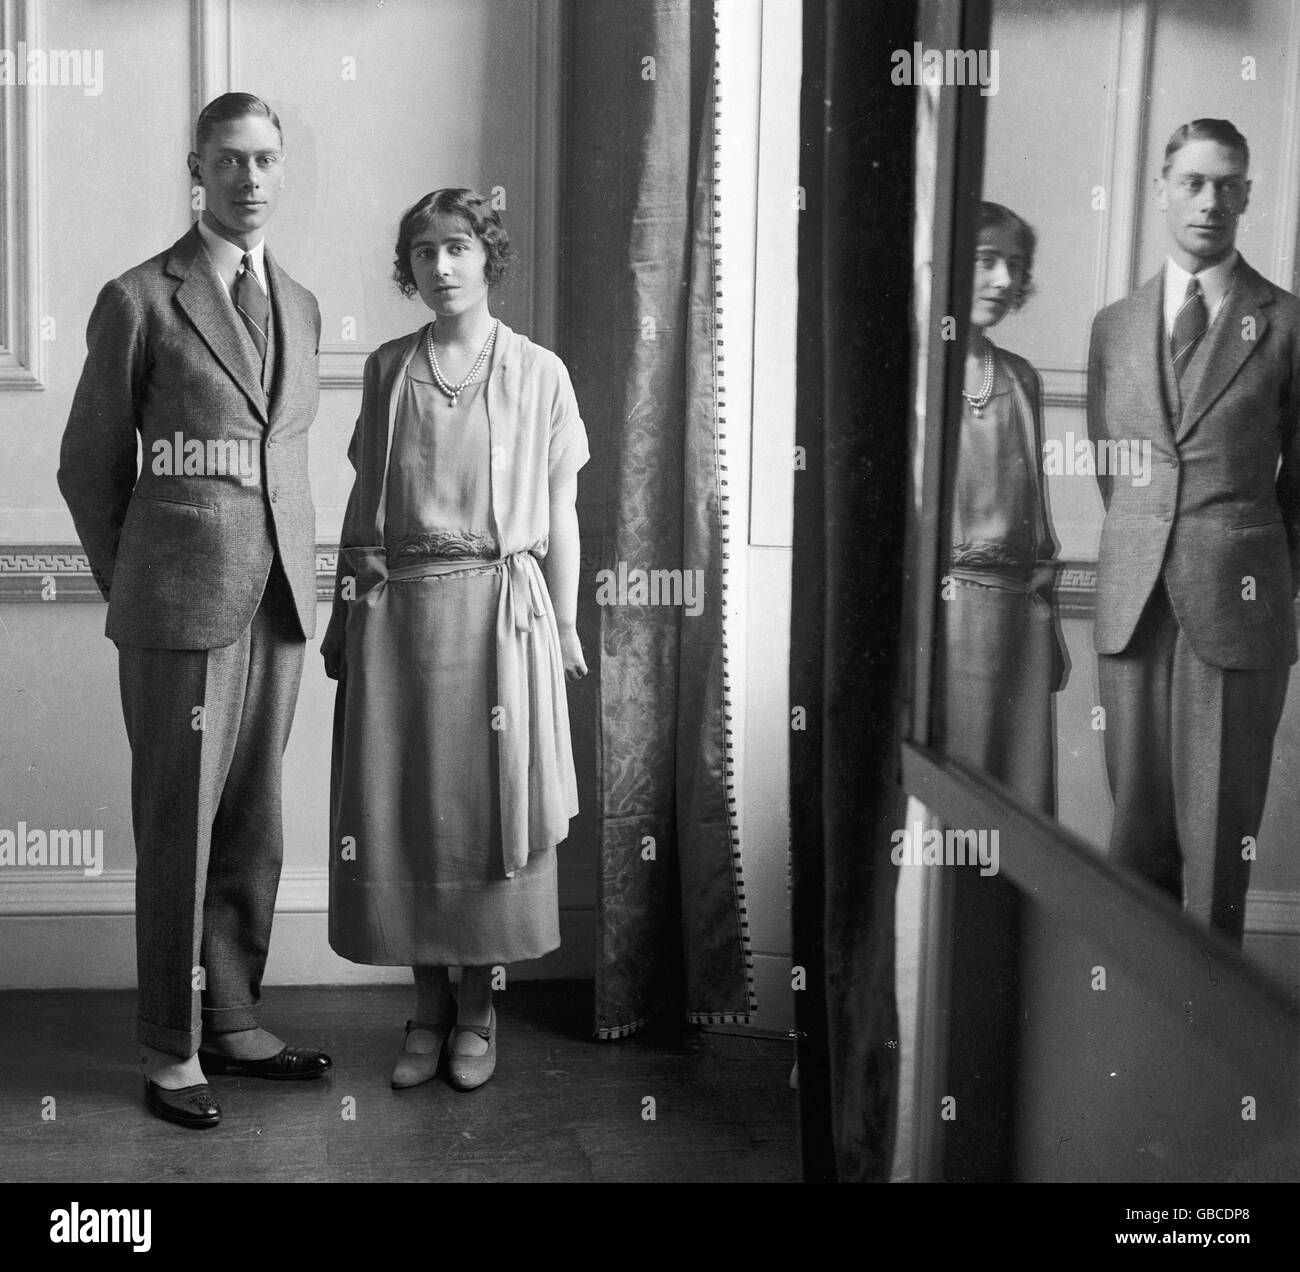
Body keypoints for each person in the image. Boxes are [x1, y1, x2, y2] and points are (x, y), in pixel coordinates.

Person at [57, 92, 331, 1130]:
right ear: (197, 170)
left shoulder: (300, 304)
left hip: (279, 608)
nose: (250, 180)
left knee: (253, 820)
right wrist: (141, 579)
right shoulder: (141, 298)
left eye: (265, 160)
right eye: (230, 162)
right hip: (178, 607)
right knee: (179, 829)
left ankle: (237, 1019)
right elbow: (88, 466)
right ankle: (169, 1047)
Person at [322, 189, 588, 1092]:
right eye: (425, 252)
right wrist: (339, 618)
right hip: (398, 617)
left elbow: (562, 511)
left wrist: (566, 624)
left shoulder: (540, 371)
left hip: (497, 619)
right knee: (406, 813)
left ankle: (479, 1009)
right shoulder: (389, 367)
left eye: (459, 248)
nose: (441, 266)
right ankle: (427, 1005)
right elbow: (364, 510)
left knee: (484, 813)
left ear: (488, 256)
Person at [1087, 119, 1300, 943]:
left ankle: (1209, 1038)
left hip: (1238, 605)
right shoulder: (1114, 325)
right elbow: (1115, 467)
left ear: (1247, 194)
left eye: (1227, 184)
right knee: (1136, 826)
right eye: (1193, 182)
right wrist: (1149, 538)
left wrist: (1261, 570)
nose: (1210, 201)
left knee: (1218, 838)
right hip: (1133, 601)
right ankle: (1138, 1016)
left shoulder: (1285, 323)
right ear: (1162, 188)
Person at [935, 201, 1067, 813]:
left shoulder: (1019, 378)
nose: (1004, 281)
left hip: (1018, 624)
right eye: (987, 262)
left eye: (1015, 266)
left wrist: (1051, 627)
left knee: (1014, 807)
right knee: (949, 797)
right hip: (941, 624)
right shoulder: (914, 371)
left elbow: (1039, 530)